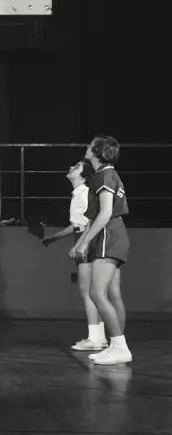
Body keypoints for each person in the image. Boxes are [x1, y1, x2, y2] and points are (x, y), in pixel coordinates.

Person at [69, 135, 131, 365]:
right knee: (111, 295)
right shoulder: (102, 175)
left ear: (96, 151)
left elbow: (105, 213)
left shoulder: (104, 174)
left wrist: (85, 243)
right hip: (112, 235)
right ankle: (116, 344)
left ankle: (119, 346)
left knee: (96, 293)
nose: (85, 147)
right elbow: (93, 217)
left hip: (109, 236)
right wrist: (80, 242)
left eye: (89, 145)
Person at [42, 160, 108, 351]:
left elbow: (89, 222)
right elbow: (77, 224)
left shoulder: (84, 193)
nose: (71, 167)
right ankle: (99, 337)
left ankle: (95, 338)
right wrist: (54, 238)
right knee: (91, 291)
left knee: (87, 291)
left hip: (87, 239)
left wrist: (80, 244)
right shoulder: (79, 194)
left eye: (77, 166)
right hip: (84, 237)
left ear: (83, 175)